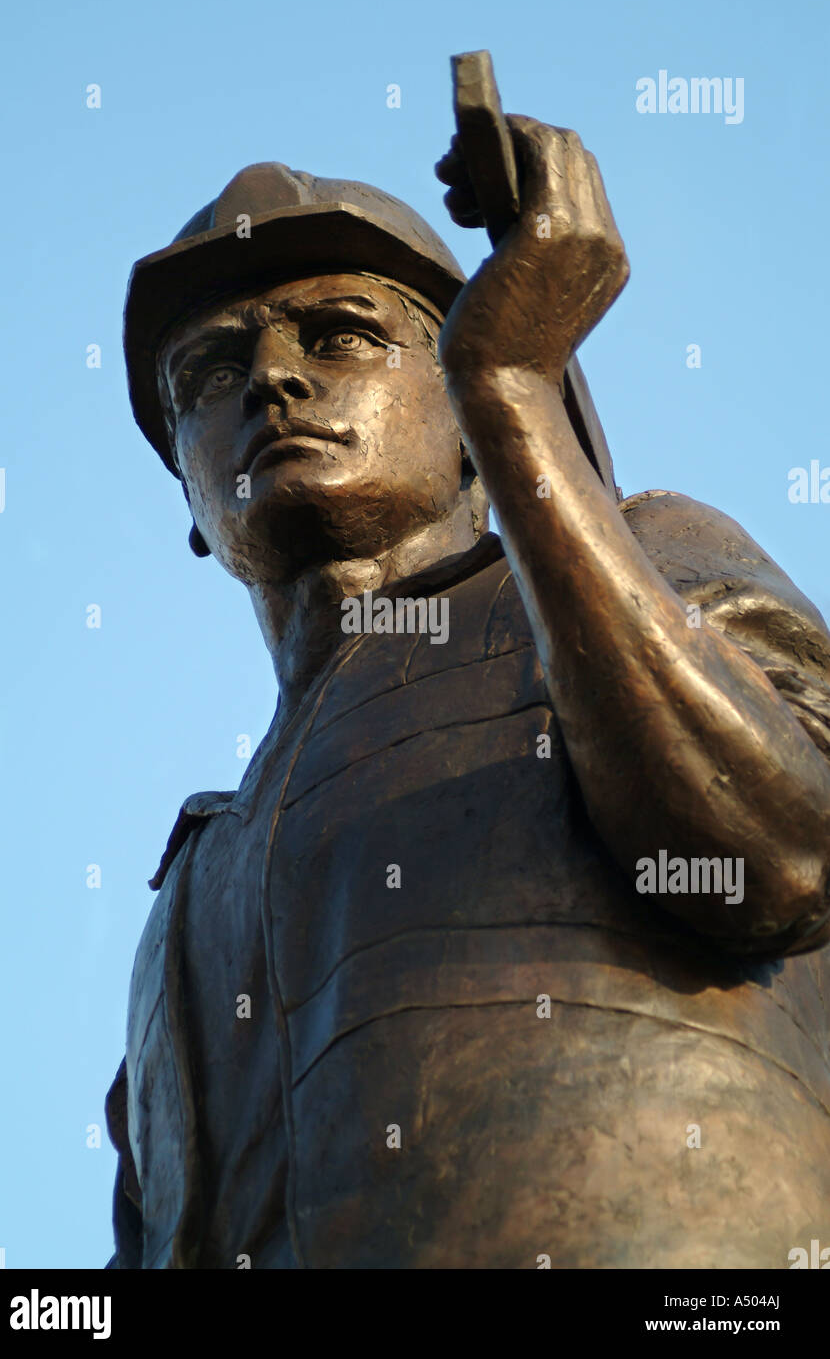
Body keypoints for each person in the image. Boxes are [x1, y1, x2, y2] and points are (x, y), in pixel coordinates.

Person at [106, 118, 830, 1269]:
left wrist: (513, 392)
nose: (275, 380)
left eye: (342, 334)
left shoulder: (643, 562)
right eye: (211, 371)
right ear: (192, 504)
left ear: (460, 430)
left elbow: (779, 849)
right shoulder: (186, 899)